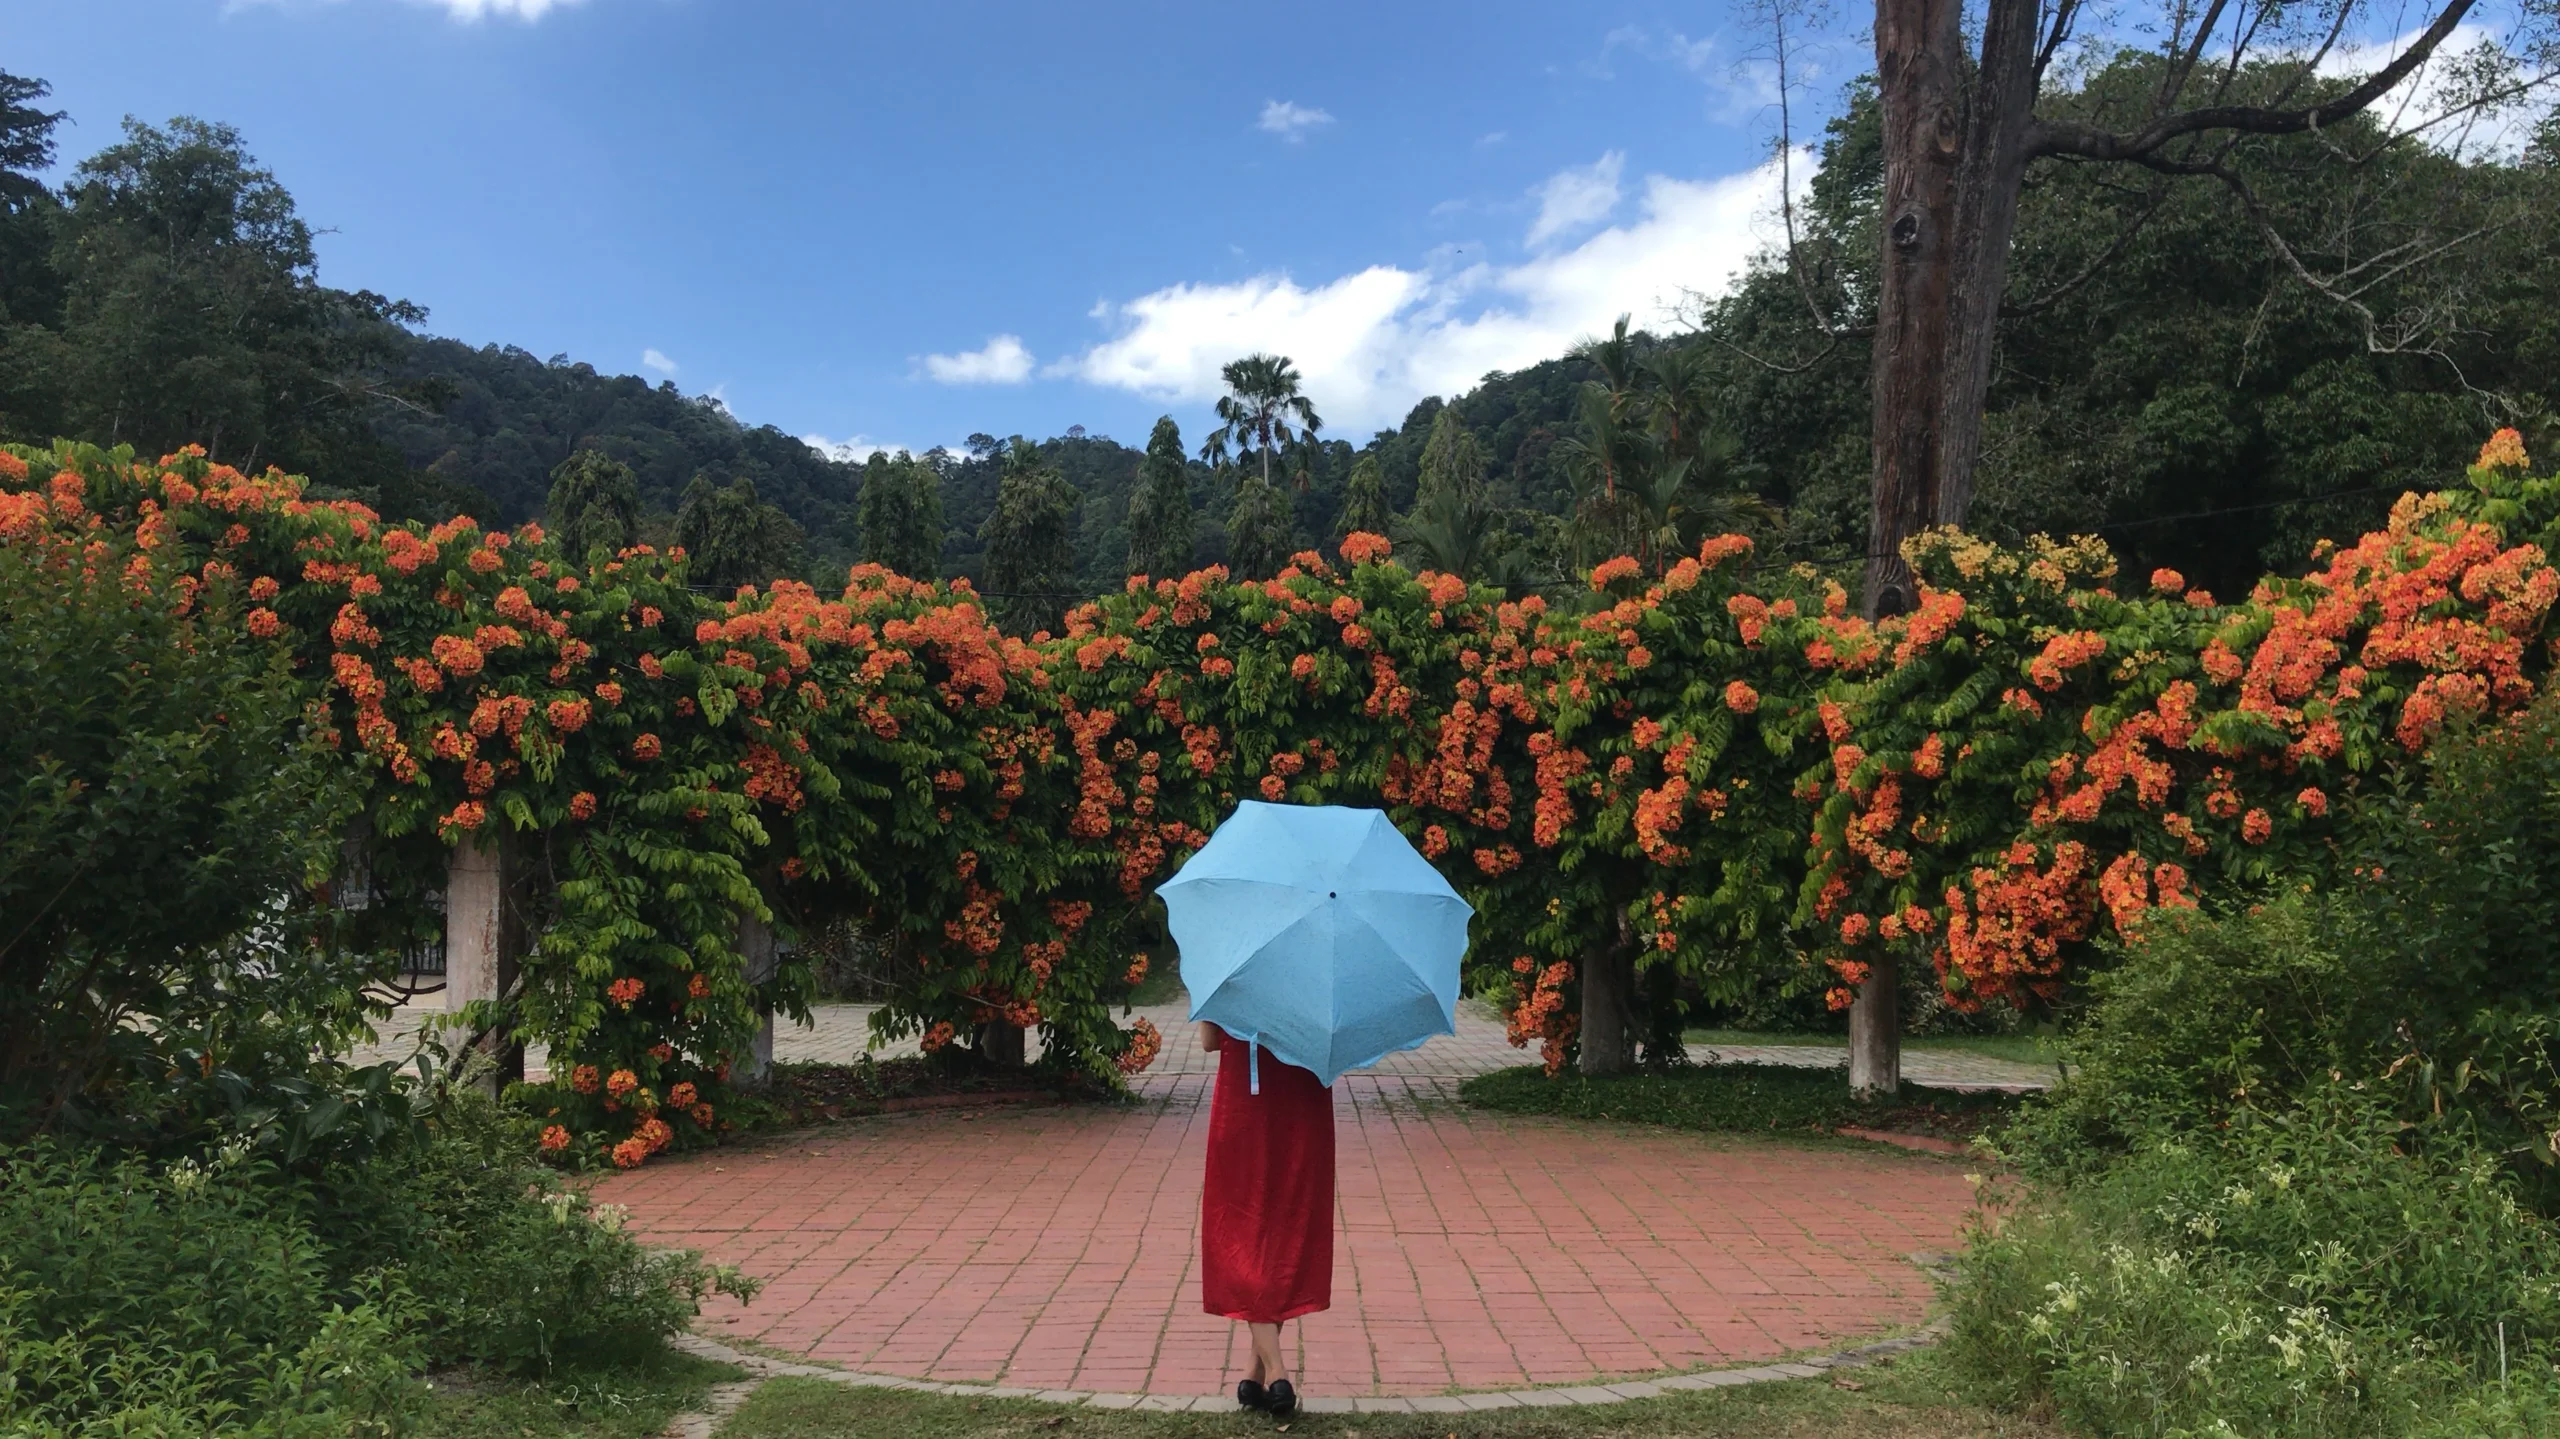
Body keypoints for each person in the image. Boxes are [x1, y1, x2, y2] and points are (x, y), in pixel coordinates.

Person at [1197, 1019, 1335, 1417]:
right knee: (1286, 1230)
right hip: (1303, 1101)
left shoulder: (1224, 980)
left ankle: (1270, 1372)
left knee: (1239, 1232)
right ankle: (1261, 1373)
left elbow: (1209, 1041)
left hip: (1243, 1104)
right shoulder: (1314, 984)